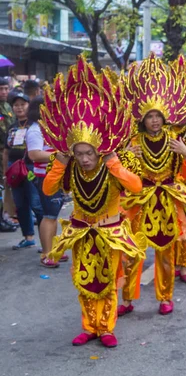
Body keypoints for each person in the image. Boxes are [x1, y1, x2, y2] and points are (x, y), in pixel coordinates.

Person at [42, 56, 146, 348]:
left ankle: (107, 327)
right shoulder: (68, 164)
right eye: (80, 153)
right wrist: (61, 164)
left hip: (110, 232)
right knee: (85, 280)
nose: (85, 159)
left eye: (89, 153)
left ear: (98, 149)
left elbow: (136, 186)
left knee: (109, 279)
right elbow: (49, 190)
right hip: (80, 231)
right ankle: (89, 326)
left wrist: (114, 164)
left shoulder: (114, 159)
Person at [119, 55, 186, 316]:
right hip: (140, 201)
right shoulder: (133, 142)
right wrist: (127, 157)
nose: (154, 120)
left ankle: (165, 297)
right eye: (149, 116)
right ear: (142, 119)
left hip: (166, 201)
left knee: (166, 253)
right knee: (132, 252)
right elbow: (123, 176)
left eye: (158, 116)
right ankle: (127, 299)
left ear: (165, 117)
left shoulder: (176, 140)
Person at [26, 96, 66, 268]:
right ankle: (46, 254)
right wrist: (57, 155)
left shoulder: (49, 129)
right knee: (49, 216)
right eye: (51, 107)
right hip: (45, 177)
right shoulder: (35, 130)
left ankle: (53, 250)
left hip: (55, 176)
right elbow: (34, 154)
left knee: (53, 214)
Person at [4, 91, 43, 249]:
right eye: (16, 105)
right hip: (14, 168)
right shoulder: (12, 127)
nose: (19, 108)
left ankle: (45, 242)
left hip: (31, 168)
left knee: (36, 203)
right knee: (20, 204)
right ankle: (28, 237)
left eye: (22, 104)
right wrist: (4, 172)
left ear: (29, 106)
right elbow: (6, 151)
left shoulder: (35, 126)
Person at [0, 77, 18, 232]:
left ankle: (4, 216)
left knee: (4, 186)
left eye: (6, 88)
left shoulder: (7, 106)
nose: (4, 92)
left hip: (7, 150)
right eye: (1, 89)